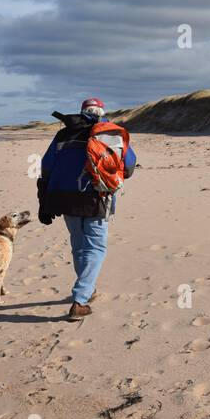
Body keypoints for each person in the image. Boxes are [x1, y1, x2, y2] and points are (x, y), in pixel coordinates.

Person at [36, 97, 137, 319]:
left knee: (79, 246)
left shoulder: (64, 134)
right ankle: (80, 299)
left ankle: (86, 289)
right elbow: (129, 165)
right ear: (103, 112)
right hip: (97, 197)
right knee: (96, 247)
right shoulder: (111, 133)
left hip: (64, 198)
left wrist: (45, 200)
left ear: (81, 111)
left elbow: (46, 167)